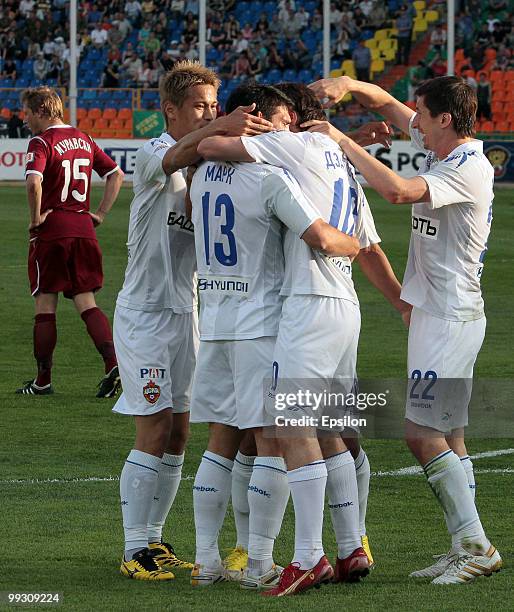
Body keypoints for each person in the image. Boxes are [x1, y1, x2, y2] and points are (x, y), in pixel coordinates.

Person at [197, 83, 409, 596]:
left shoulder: (284, 151)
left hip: (303, 305)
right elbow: (371, 250)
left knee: (289, 431)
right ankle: (351, 543)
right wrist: (401, 301)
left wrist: (230, 127)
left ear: (288, 118)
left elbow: (211, 147)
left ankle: (305, 557)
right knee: (331, 429)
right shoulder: (339, 162)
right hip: (345, 307)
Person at [308, 74, 502, 584]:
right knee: (451, 437)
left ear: (444, 118)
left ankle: (478, 546)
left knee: (421, 434)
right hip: (437, 312)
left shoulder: (469, 166)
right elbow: (387, 103)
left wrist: (341, 140)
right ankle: (464, 543)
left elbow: (396, 192)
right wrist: (348, 83)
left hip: (449, 315)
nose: (412, 120)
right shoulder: (439, 141)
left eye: (422, 113)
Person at [112, 60, 275, 581]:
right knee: (154, 428)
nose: (209, 113)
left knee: (181, 432)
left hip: (188, 313)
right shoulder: (154, 152)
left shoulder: (206, 162)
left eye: (214, 104)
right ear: (171, 111)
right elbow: (183, 153)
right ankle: (135, 547)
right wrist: (220, 126)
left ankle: (156, 540)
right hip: (144, 316)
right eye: (200, 107)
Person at [17, 86, 124, 396]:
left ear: (40, 112)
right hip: (83, 230)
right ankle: (112, 362)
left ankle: (43, 381)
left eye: (27, 114)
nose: (25, 121)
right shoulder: (84, 138)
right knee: (86, 301)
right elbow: (115, 175)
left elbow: (33, 182)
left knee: (45, 304)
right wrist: (100, 213)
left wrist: (36, 219)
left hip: (52, 231)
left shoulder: (41, 141)